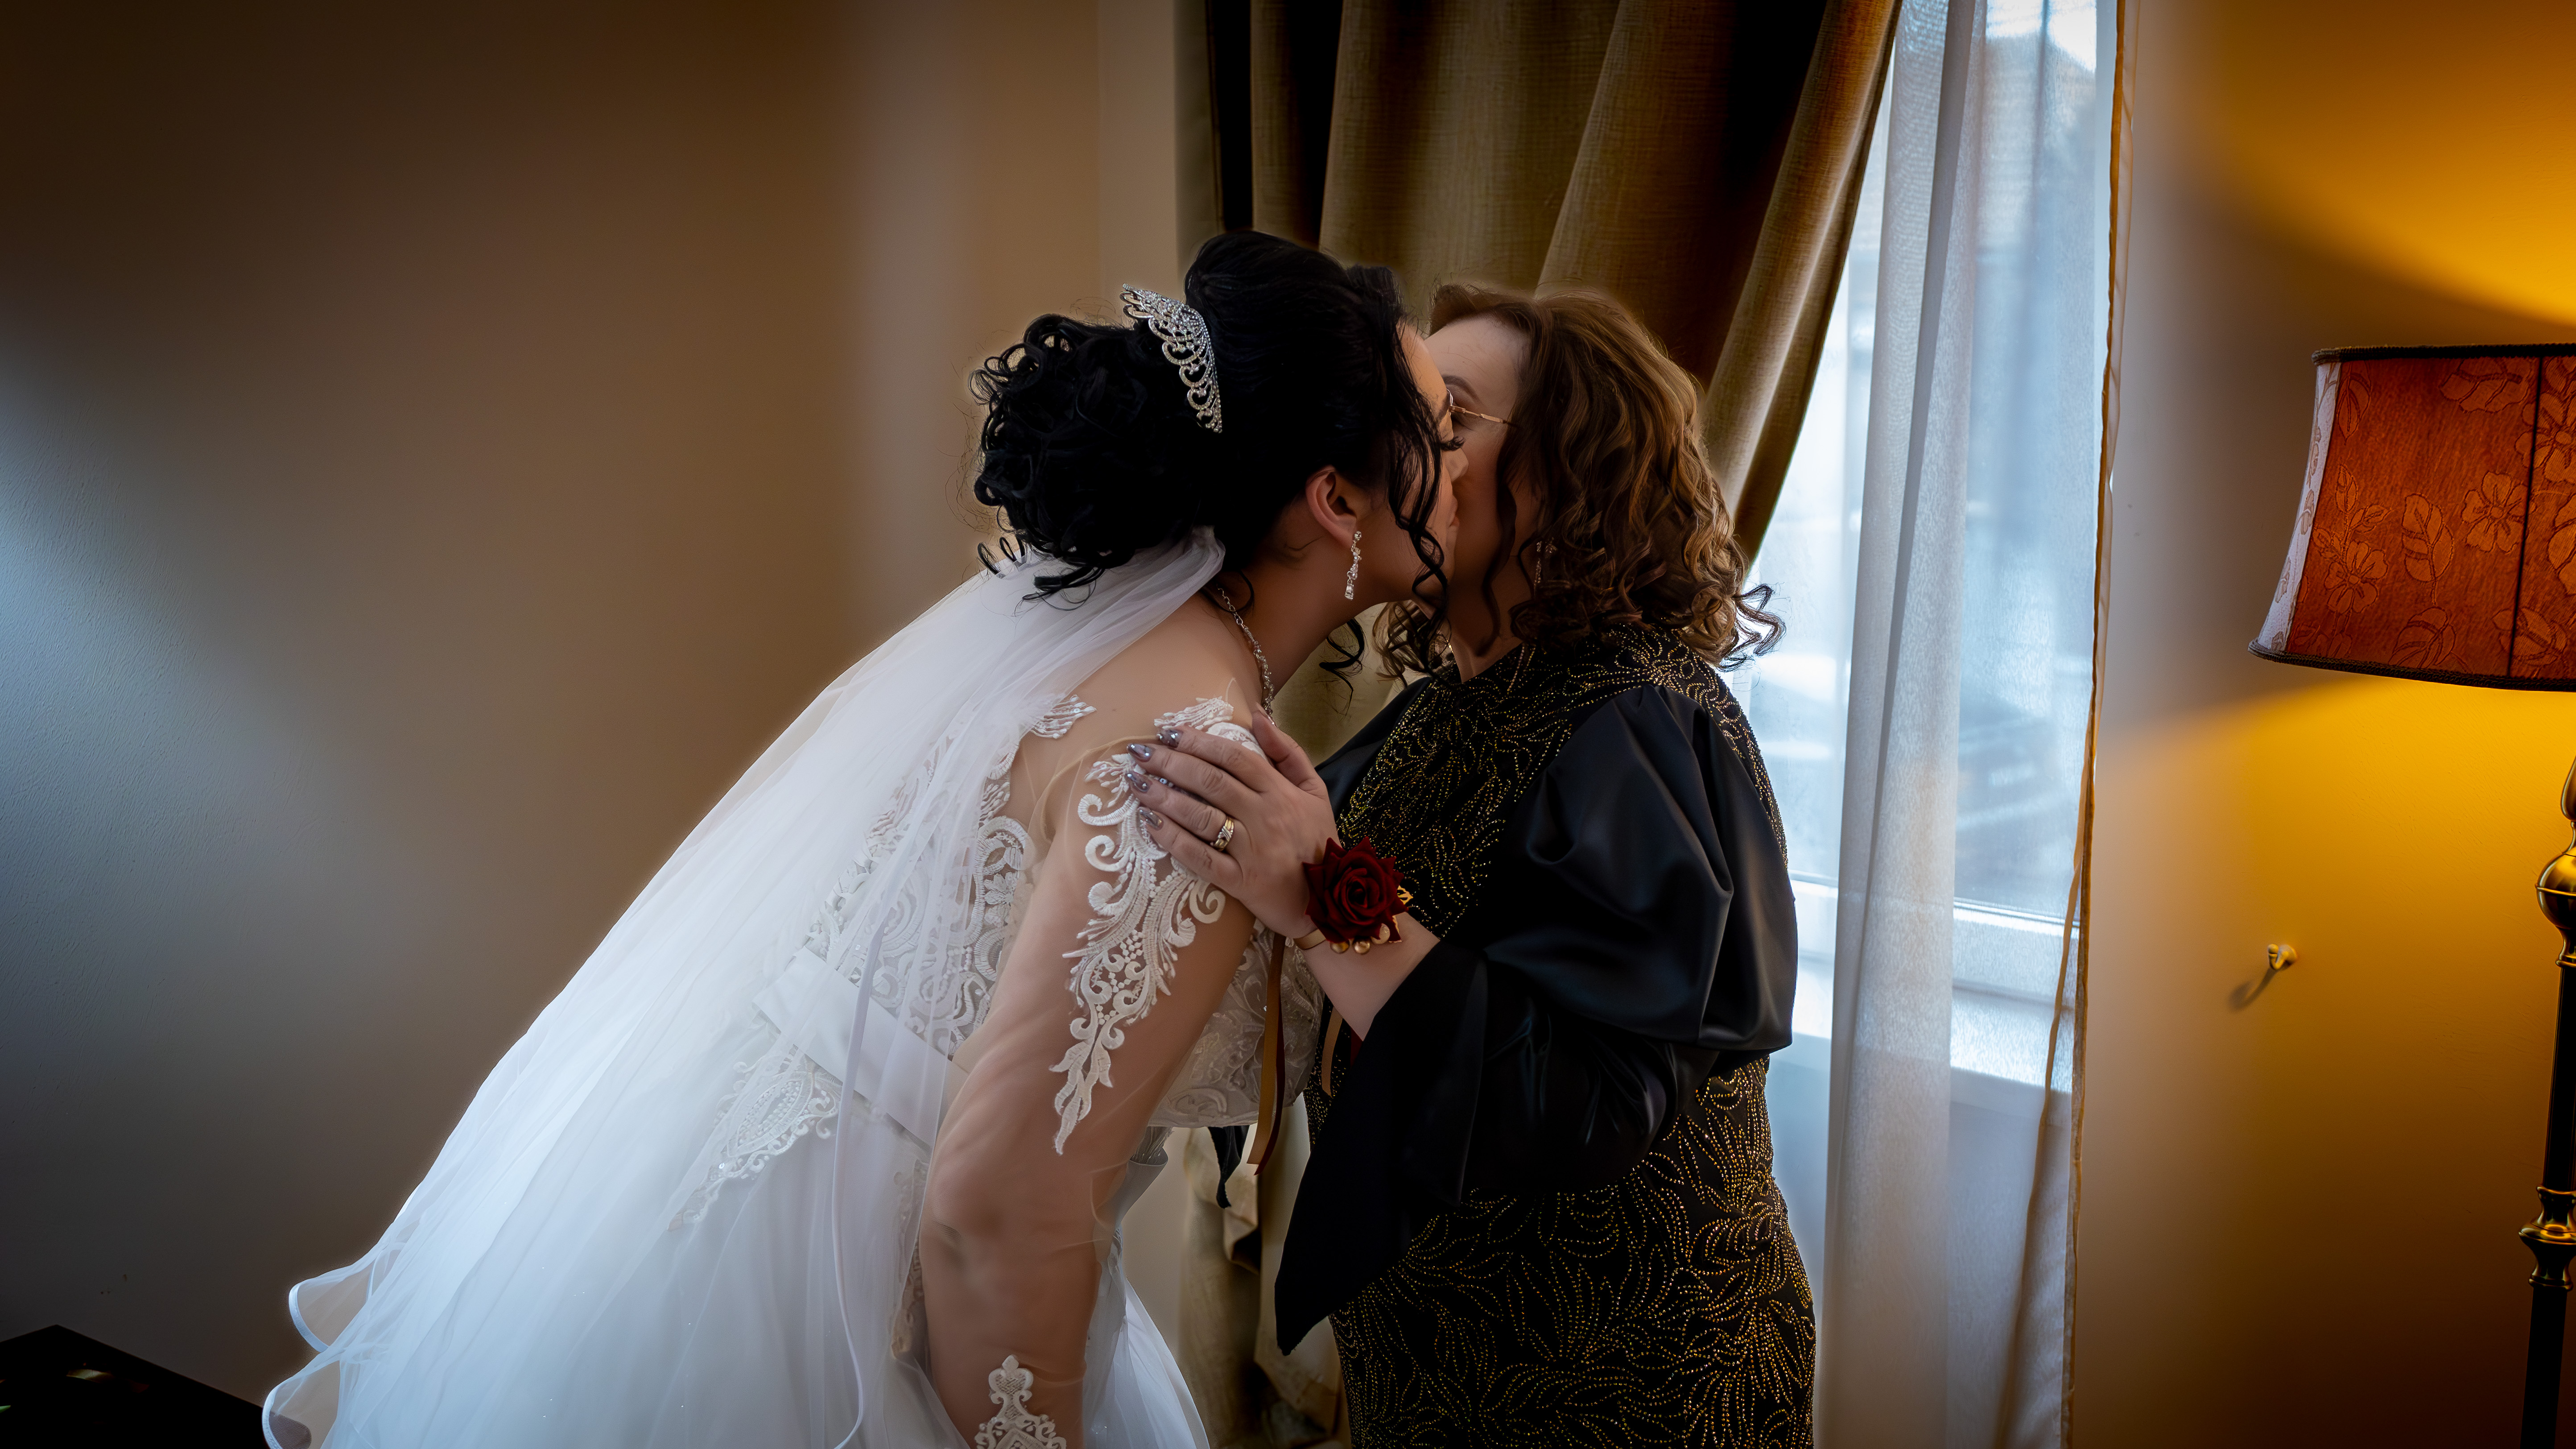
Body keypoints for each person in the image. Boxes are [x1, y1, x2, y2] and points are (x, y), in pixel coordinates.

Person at [260, 229, 1460, 1449]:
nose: (1467, 463)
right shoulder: (1190, 774)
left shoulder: (1095, 647)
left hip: (728, 1206)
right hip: (841, 1307)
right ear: (1335, 500)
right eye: (1444, 433)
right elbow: (992, 1217)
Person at [1135, 283, 1813, 1447]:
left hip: (1624, 1385)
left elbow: (1595, 1100)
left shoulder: (1638, 717)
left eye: (1446, 417)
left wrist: (1320, 898)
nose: (1404, 452)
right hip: (1449, 1370)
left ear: (1571, 470)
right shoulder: (1442, 710)